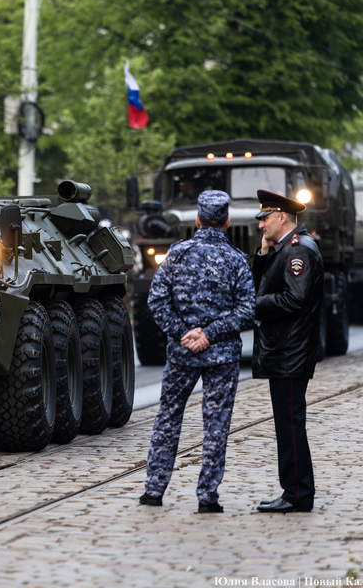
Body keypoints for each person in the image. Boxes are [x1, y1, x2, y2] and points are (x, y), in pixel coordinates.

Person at [140, 190, 256, 513]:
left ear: (197, 219)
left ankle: (153, 490)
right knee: (216, 425)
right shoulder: (236, 260)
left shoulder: (176, 255)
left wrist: (184, 334)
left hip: (182, 355)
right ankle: (207, 497)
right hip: (222, 357)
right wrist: (210, 333)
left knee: (168, 418)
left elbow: (156, 301)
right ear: (228, 222)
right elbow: (247, 311)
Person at [252, 189, 323, 513]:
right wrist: (264, 253)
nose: (260, 225)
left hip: (291, 351)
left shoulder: (300, 251)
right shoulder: (284, 248)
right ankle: (292, 490)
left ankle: (298, 494)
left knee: (290, 424)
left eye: (265, 219)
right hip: (285, 349)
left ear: (282, 217)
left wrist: (254, 306)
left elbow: (294, 299)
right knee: (286, 423)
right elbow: (266, 284)